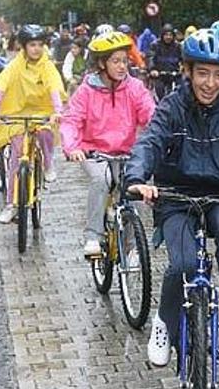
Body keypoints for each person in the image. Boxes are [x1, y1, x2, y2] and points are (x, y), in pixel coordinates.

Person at [124, 28, 219, 365]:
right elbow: (150, 141)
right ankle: (164, 323)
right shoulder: (172, 106)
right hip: (176, 195)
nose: (210, 83)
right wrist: (137, 178)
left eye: (218, 75)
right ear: (189, 71)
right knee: (181, 264)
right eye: (202, 73)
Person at [60, 32, 156, 256]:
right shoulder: (86, 91)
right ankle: (93, 236)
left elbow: (150, 114)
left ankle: (131, 249)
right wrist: (72, 147)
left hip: (126, 152)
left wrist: (163, 137)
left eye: (125, 60)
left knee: (136, 189)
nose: (122, 66)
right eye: (116, 61)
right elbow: (72, 120)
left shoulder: (134, 88)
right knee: (102, 179)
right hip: (94, 152)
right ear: (102, 63)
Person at [0, 24, 67, 224]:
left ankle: (48, 165)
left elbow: (54, 87)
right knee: (16, 159)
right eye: (32, 45)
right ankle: (11, 205)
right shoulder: (15, 65)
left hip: (42, 112)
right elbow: (1, 86)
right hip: (18, 113)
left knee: (46, 132)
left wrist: (57, 111)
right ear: (23, 47)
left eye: (40, 44)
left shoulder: (47, 66)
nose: (36, 49)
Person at [146, 23, 183, 100]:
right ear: (162, 35)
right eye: (166, 35)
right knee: (159, 93)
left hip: (174, 75)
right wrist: (152, 69)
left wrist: (183, 68)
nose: (168, 37)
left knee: (181, 92)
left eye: (170, 35)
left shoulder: (178, 46)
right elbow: (150, 57)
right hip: (159, 76)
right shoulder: (155, 45)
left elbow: (184, 59)